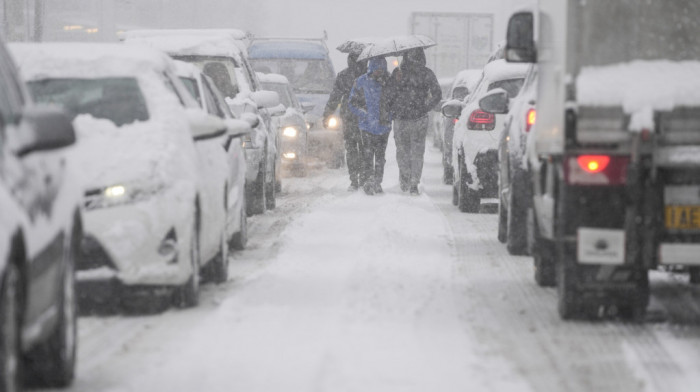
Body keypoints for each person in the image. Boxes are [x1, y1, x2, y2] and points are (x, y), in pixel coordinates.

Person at [388, 48, 442, 195]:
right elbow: (437, 94)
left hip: (401, 119)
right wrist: (426, 107)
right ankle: (413, 183)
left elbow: (389, 94)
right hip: (419, 118)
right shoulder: (426, 73)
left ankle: (405, 180)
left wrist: (393, 108)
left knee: (402, 152)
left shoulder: (398, 72)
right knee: (417, 152)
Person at [323, 52, 368, 191]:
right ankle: (364, 178)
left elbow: (335, 97)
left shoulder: (344, 75)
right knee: (365, 148)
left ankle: (354, 179)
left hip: (348, 117)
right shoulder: (368, 75)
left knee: (351, 148)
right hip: (366, 116)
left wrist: (327, 113)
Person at [348, 57, 392, 195]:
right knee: (367, 155)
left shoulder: (389, 82)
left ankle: (377, 182)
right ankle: (368, 181)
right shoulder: (361, 82)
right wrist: (363, 114)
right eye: (377, 68)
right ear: (371, 68)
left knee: (380, 157)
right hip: (366, 126)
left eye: (381, 68)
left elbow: (396, 101)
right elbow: (352, 102)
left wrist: (389, 115)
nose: (379, 71)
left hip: (383, 126)